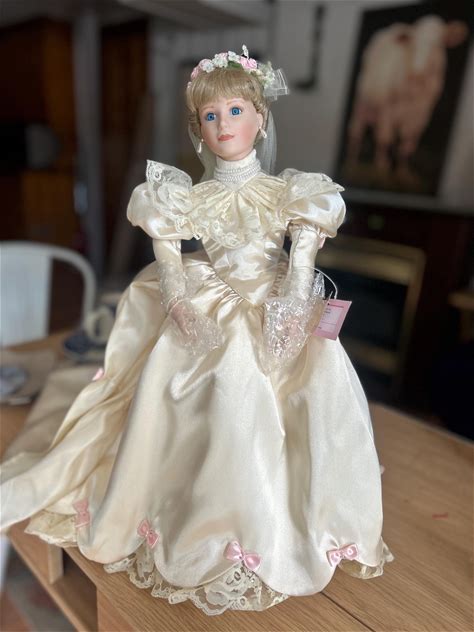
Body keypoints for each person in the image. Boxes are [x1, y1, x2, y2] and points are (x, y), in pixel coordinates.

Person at [0, 47, 392, 615]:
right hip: (211, 302)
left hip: (275, 304)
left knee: (304, 402)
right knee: (206, 391)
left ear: (260, 118)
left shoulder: (294, 191)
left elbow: (301, 262)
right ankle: (201, 517)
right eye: (210, 116)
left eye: (235, 111)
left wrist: (287, 315)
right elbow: (170, 267)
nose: (223, 124)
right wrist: (182, 306)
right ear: (198, 129)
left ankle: (288, 520)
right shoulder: (182, 196)